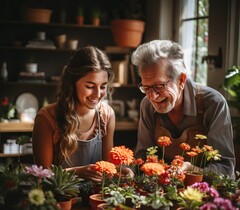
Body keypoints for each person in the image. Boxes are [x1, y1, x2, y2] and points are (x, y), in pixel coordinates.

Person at [131, 40, 236, 178]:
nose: (152, 96)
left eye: (159, 86)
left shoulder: (213, 103)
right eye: (146, 87)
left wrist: (192, 170)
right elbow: (142, 156)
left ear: (181, 80)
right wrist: (129, 170)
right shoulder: (147, 105)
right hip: (162, 190)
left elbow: (226, 169)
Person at [32, 46, 115, 182]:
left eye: (103, 86)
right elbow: (42, 177)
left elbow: (108, 168)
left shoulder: (107, 115)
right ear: (72, 83)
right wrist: (78, 172)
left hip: (95, 200)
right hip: (59, 201)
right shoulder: (46, 118)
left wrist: (121, 170)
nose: (98, 94)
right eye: (90, 86)